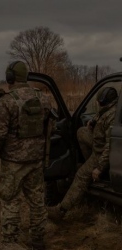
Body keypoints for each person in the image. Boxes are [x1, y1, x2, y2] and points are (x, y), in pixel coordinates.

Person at [0, 61, 53, 250]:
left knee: (10, 200)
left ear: (10, 77)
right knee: (37, 201)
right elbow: (48, 128)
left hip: (13, 162)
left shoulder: (6, 101)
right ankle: (38, 240)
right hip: (35, 160)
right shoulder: (44, 99)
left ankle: (11, 242)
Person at [47, 86, 118, 221]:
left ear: (104, 101)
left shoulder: (112, 116)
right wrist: (93, 121)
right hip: (98, 144)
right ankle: (89, 163)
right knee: (81, 132)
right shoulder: (109, 109)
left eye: (100, 101)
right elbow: (101, 114)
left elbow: (110, 146)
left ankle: (60, 210)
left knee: (80, 175)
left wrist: (99, 167)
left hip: (102, 152)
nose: (98, 103)